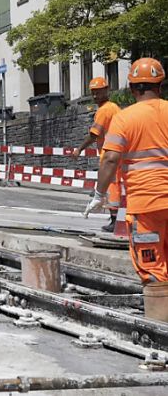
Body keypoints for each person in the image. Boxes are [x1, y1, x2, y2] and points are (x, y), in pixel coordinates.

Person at [90, 58, 168, 286]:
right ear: (160, 86)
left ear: (132, 89)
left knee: (152, 268)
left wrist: (99, 194)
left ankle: (159, 318)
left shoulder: (124, 118)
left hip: (146, 206)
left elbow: (111, 158)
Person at [72, 77, 123, 231]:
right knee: (117, 186)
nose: (95, 96)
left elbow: (94, 134)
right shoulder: (113, 107)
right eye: (93, 93)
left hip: (110, 154)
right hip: (119, 153)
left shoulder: (104, 110)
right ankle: (117, 218)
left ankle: (115, 221)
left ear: (106, 90)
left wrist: (79, 148)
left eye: (98, 92)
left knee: (113, 187)